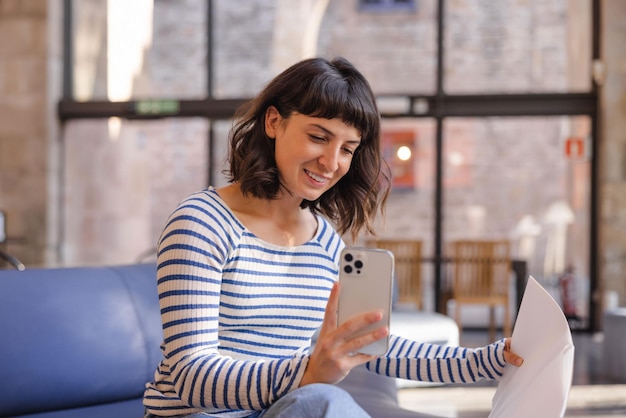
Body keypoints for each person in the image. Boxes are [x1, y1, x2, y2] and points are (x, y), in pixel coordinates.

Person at [143, 57, 524, 418]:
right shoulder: (202, 222)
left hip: (280, 409)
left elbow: (374, 343)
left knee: (319, 401)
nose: (331, 162)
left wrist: (486, 360)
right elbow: (191, 377)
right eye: (318, 137)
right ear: (273, 122)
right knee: (322, 401)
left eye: (347, 149)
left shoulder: (324, 242)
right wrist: (309, 372)